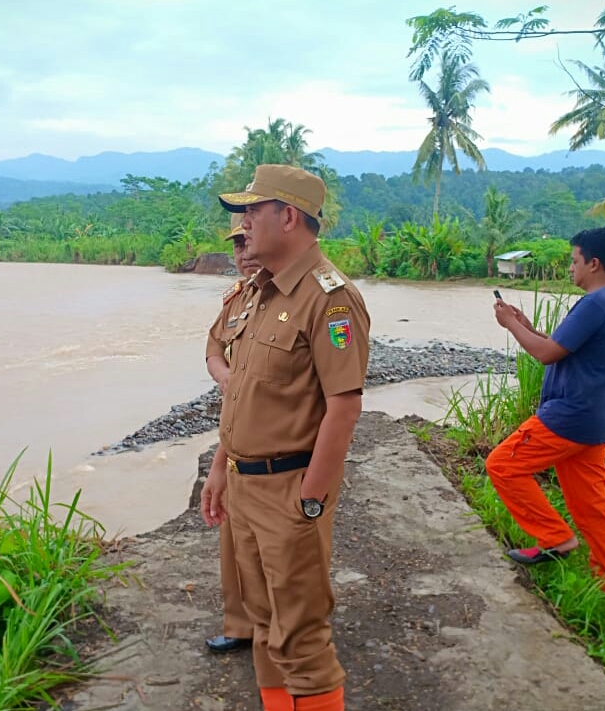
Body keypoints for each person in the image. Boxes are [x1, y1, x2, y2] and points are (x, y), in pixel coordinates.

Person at [200, 164, 371, 711]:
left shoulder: (330, 298)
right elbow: (248, 394)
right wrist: (221, 467)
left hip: (289, 489)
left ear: (289, 216)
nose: (243, 223)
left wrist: (312, 498)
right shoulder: (262, 293)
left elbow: (344, 405)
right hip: (245, 485)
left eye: (252, 210)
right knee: (264, 623)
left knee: (300, 636)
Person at [486, 226, 605, 596]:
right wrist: (524, 325)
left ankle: (555, 538)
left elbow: (546, 354)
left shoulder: (596, 304)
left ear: (594, 263)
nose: (571, 268)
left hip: (568, 417)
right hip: (595, 422)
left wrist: (508, 327)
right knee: (591, 506)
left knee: (502, 465)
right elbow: (559, 346)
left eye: (574, 261)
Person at [203, 214, 263, 653]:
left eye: (248, 242)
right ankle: (240, 626)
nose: (243, 254)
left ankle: (280, 635)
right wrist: (226, 377)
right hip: (237, 434)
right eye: (237, 246)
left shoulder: (305, 298)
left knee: (276, 551)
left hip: (281, 446)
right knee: (233, 540)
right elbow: (212, 348)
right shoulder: (240, 299)